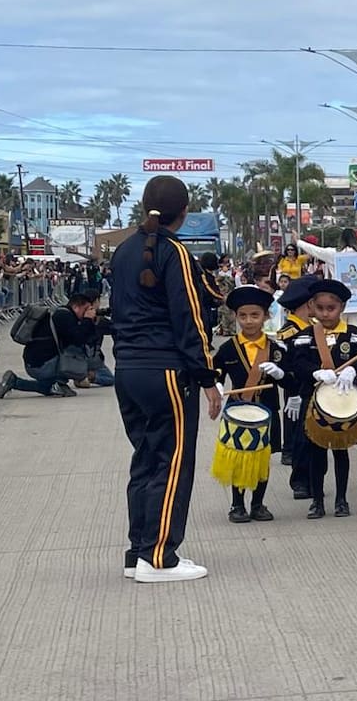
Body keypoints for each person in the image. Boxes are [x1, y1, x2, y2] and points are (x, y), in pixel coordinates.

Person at [105, 175, 222, 583]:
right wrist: (208, 378)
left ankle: (138, 551)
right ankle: (160, 558)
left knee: (146, 460)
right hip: (166, 371)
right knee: (173, 463)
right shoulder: (175, 253)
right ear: (184, 212)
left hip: (128, 369)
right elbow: (191, 319)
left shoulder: (122, 252)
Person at [287, 279, 357, 519]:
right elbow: (297, 362)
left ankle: (342, 499)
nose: (325, 313)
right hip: (314, 400)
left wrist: (353, 371)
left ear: (342, 307)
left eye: (331, 308)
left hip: (344, 401)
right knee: (316, 451)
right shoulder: (306, 335)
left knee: (341, 451)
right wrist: (315, 371)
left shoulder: (352, 334)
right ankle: (317, 500)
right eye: (320, 308)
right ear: (311, 306)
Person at [211, 285, 292, 524]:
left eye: (255, 315)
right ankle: (237, 505)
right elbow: (216, 372)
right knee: (238, 458)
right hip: (238, 412)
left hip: (267, 411)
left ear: (266, 316)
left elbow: (292, 379)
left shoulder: (276, 349)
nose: (248, 321)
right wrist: (215, 385)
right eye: (243, 316)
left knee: (262, 458)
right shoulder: (228, 348)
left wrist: (280, 374)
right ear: (236, 317)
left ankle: (258, 504)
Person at [0, 292, 97, 399]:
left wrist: (91, 322)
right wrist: (87, 320)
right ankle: (53, 382)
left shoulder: (62, 313)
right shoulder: (64, 316)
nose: (88, 312)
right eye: (86, 309)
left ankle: (55, 384)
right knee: (77, 351)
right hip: (41, 365)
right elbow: (79, 339)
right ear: (76, 307)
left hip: (37, 362)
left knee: (49, 388)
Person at [274, 276, 319, 494]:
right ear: (308, 303)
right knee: (300, 436)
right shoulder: (289, 332)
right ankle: (300, 480)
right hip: (296, 390)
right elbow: (284, 367)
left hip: (313, 388)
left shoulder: (314, 328)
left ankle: (312, 478)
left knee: (314, 436)